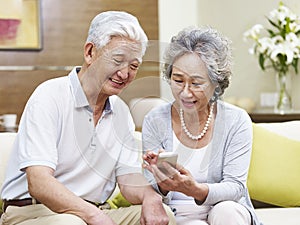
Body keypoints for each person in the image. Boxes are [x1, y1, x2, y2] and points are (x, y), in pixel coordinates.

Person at [0, 11, 176, 225]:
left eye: (133, 66)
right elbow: (39, 182)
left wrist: (151, 197)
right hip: (35, 212)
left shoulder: (121, 112)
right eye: (118, 60)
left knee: (164, 213)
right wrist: (93, 216)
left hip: (94, 213)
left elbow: (128, 180)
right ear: (90, 52)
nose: (124, 73)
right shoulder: (49, 96)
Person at [142, 26, 262, 225]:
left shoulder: (236, 120)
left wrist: (194, 189)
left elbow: (235, 186)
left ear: (216, 84)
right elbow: (151, 191)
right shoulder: (155, 120)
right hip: (177, 217)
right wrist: (162, 183)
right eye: (178, 80)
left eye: (196, 83)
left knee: (226, 211)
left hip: (226, 211)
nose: (185, 93)